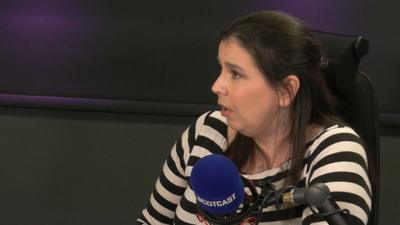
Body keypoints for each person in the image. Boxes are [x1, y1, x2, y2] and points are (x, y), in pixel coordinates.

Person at [137, 10, 371, 225]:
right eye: (221, 70)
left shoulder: (335, 150)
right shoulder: (208, 130)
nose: (217, 86)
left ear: (285, 90)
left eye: (236, 74)